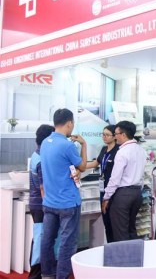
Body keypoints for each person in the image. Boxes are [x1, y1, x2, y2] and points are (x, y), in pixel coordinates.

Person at [40, 109, 87, 279]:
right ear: (69, 123)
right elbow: (81, 166)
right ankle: (61, 276)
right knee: (68, 243)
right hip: (68, 202)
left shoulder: (46, 142)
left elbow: (63, 167)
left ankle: (47, 274)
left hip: (49, 202)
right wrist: (84, 145)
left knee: (47, 240)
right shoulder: (67, 145)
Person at [102, 121, 146, 242]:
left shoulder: (122, 152)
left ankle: (122, 260)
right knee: (131, 228)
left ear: (123, 135)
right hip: (137, 193)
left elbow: (115, 179)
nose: (115, 137)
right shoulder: (141, 150)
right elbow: (142, 175)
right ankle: (135, 259)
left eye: (116, 134)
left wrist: (106, 197)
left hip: (123, 195)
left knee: (120, 232)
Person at [28, 124, 55, 279]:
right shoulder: (41, 160)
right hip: (42, 205)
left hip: (36, 204)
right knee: (40, 239)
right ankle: (36, 274)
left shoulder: (36, 154)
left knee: (39, 238)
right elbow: (44, 189)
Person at [86, 125, 119, 243]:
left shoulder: (119, 151)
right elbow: (96, 163)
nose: (104, 137)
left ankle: (116, 246)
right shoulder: (104, 149)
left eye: (107, 135)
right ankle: (110, 245)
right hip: (103, 189)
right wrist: (79, 166)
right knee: (106, 220)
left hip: (114, 190)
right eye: (103, 134)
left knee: (114, 221)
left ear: (115, 136)